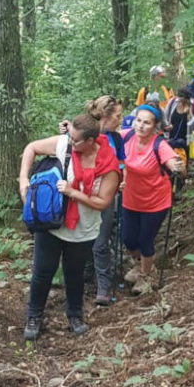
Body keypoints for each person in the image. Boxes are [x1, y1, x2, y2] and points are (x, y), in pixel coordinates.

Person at [19, 114, 120, 340]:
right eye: (69, 137)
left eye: (75, 140)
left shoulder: (109, 165)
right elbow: (31, 148)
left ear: (91, 141)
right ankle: (34, 316)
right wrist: (23, 180)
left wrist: (74, 193)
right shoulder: (64, 143)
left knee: (74, 274)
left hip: (84, 228)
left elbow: (103, 202)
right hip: (53, 222)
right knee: (42, 271)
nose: (70, 142)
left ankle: (75, 315)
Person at [120, 104, 182, 295]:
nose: (140, 126)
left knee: (145, 239)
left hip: (155, 201)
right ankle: (141, 265)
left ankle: (146, 276)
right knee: (129, 239)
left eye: (146, 123)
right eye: (138, 120)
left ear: (155, 125)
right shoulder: (126, 136)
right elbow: (100, 136)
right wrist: (70, 129)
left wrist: (176, 166)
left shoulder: (159, 145)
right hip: (130, 198)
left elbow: (171, 160)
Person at [83, 96, 125, 306]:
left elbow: (120, 163)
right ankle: (87, 274)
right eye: (117, 115)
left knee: (101, 240)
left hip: (107, 195)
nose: (120, 119)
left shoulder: (116, 139)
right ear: (105, 117)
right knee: (84, 238)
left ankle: (103, 286)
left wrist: (120, 178)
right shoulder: (85, 135)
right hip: (83, 193)